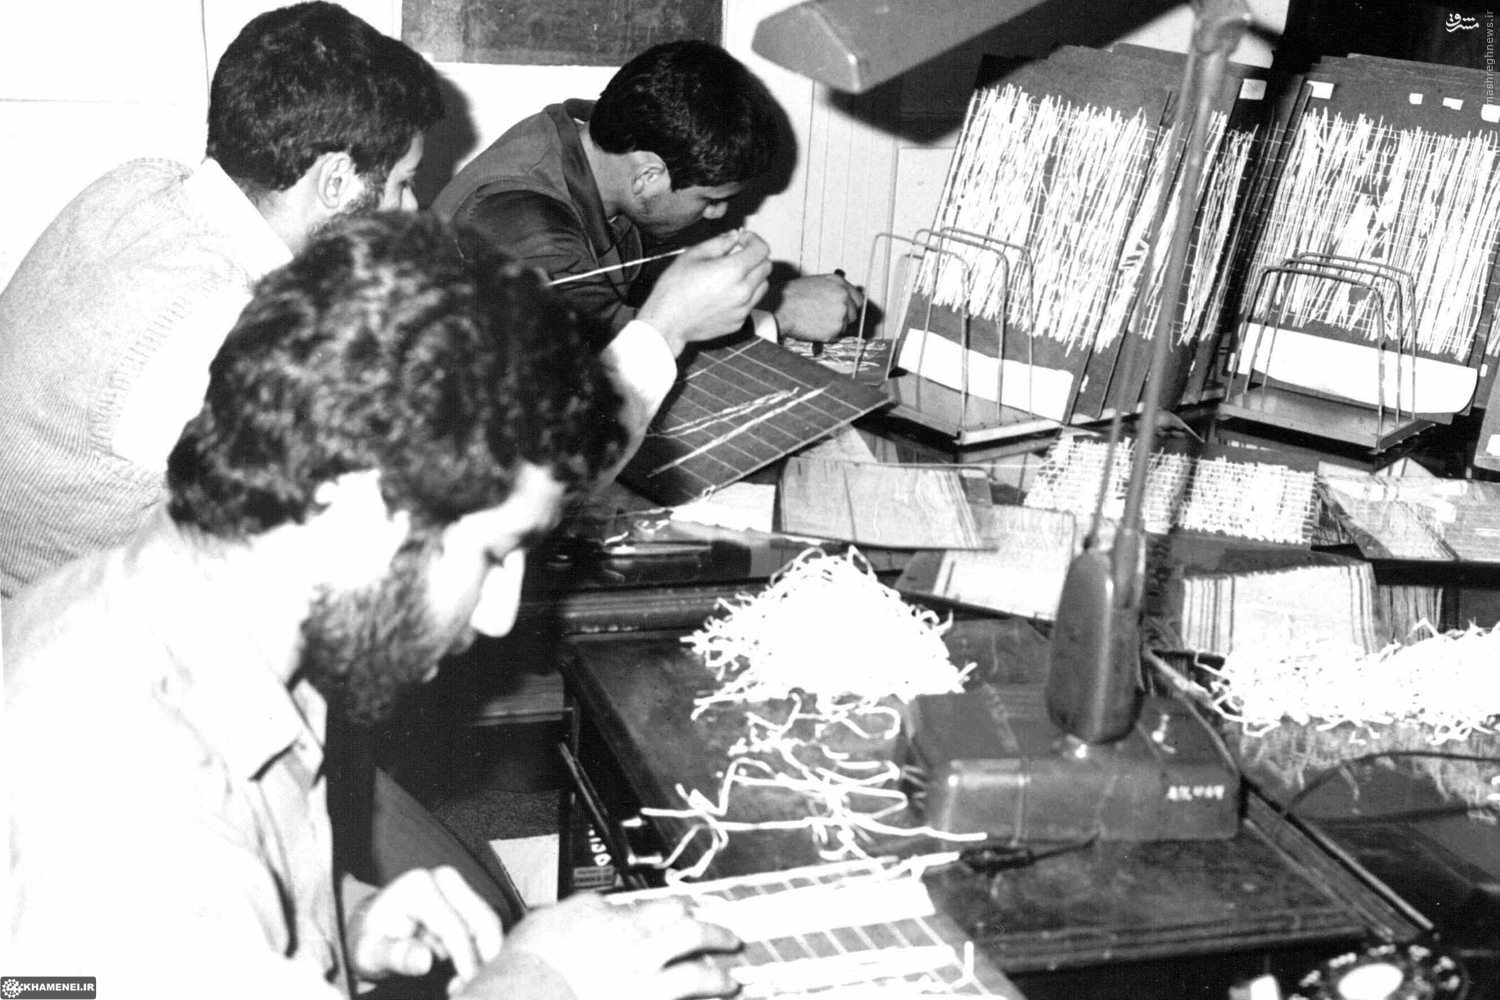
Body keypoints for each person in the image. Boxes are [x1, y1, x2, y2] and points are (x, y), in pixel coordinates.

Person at [1, 211, 744, 1000]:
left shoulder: (200, 605)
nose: (498, 614)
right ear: (355, 507)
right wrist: (542, 984)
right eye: (494, 554)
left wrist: (331, 923)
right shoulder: (121, 810)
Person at [0, 4, 769, 599]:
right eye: (401, 184)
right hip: (84, 662)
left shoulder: (141, 187)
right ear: (335, 180)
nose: (411, 210)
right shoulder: (216, 336)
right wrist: (662, 331)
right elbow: (481, 511)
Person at [431, 38, 863, 347]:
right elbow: (616, 363)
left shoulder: (608, 149)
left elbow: (652, 300)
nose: (718, 215)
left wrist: (756, 296)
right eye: (710, 200)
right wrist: (781, 314)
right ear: (648, 176)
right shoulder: (525, 222)